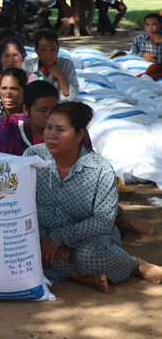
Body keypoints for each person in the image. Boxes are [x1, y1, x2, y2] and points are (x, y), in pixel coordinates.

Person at [23, 102, 162, 293]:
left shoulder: (100, 169)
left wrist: (63, 239)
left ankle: (134, 265)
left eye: (60, 130)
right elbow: (23, 204)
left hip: (88, 238)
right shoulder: (32, 157)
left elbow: (103, 221)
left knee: (88, 256)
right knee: (26, 249)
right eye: (49, 128)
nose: (51, 134)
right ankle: (80, 277)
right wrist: (50, 240)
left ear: (79, 135)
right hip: (42, 234)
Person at [22, 29, 79, 101]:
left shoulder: (66, 65)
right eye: (43, 50)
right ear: (36, 50)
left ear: (58, 48)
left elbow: (71, 96)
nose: (49, 55)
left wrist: (59, 75)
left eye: (52, 50)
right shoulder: (26, 66)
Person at [130, 13, 162, 80]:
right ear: (144, 26)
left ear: (160, 25)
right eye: (148, 25)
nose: (150, 28)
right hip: (144, 69)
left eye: (154, 24)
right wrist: (142, 54)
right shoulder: (139, 39)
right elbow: (132, 54)